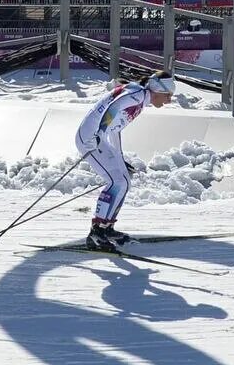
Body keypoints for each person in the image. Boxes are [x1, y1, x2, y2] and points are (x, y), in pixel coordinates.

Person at [75, 70, 177, 252]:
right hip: (91, 138)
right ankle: (97, 232)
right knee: (117, 181)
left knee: (124, 181)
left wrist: (120, 158)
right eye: (168, 95)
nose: (169, 100)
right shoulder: (137, 95)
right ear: (157, 90)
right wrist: (99, 131)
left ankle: (106, 228)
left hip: (98, 137)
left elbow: (116, 129)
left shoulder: (139, 95)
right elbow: (113, 107)